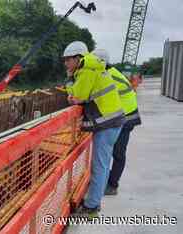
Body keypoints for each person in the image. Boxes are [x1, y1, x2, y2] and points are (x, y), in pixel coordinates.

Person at [63, 41, 125, 217]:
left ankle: (91, 207)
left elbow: (76, 97)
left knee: (99, 165)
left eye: (68, 60)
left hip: (108, 123)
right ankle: (94, 201)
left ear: (78, 58)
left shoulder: (87, 70)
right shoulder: (93, 66)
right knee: (103, 164)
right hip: (113, 121)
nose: (66, 64)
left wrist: (69, 80)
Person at [93, 49, 142, 195]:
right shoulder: (109, 72)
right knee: (111, 151)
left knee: (118, 152)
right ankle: (107, 180)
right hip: (123, 115)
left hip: (126, 117)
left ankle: (112, 185)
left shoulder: (109, 76)